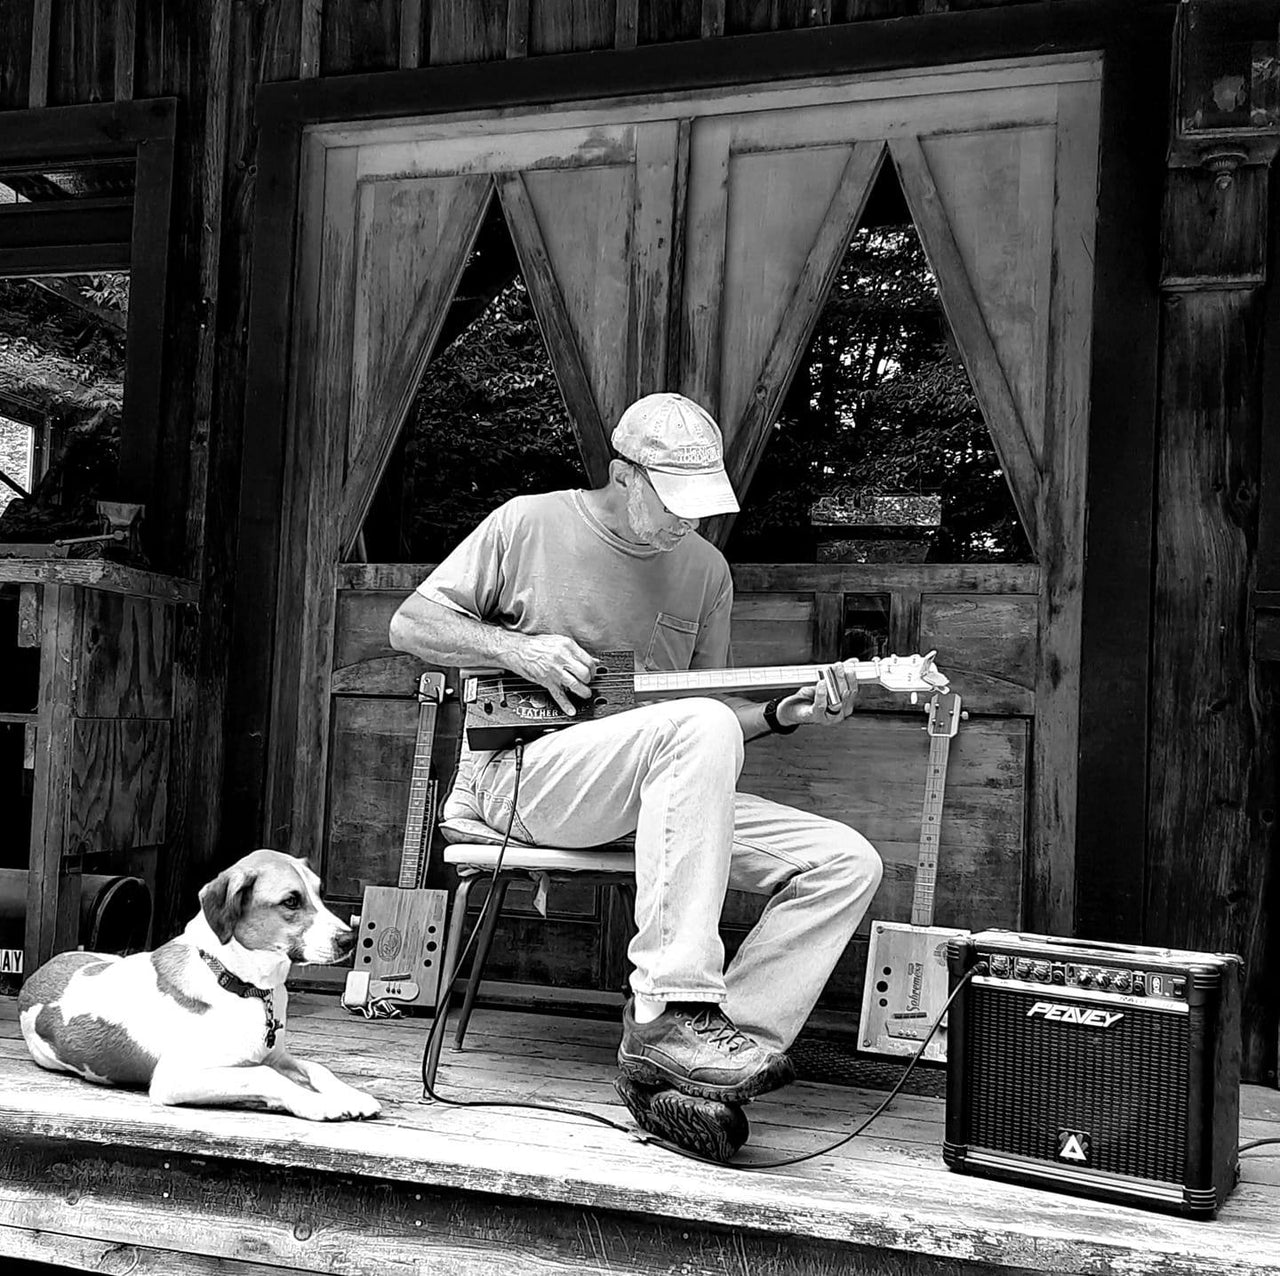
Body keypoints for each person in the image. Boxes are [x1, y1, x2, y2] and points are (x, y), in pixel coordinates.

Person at [389, 392, 883, 1160]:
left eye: (703, 505)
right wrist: (521, 650)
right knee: (698, 726)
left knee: (846, 862)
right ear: (625, 475)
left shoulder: (706, 570)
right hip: (524, 778)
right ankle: (665, 1004)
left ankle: (699, 1067)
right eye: (674, 501)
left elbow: (708, 724)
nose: (690, 521)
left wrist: (788, 713)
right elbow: (409, 626)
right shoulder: (529, 523)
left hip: (659, 788)